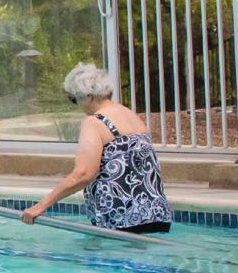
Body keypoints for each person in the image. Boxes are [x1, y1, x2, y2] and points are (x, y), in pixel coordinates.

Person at [19, 62, 172, 234]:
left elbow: (84, 173)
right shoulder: (131, 116)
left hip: (122, 219)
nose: (77, 105)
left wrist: (41, 206)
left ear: (89, 96)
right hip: (157, 215)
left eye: (74, 99)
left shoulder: (95, 122)